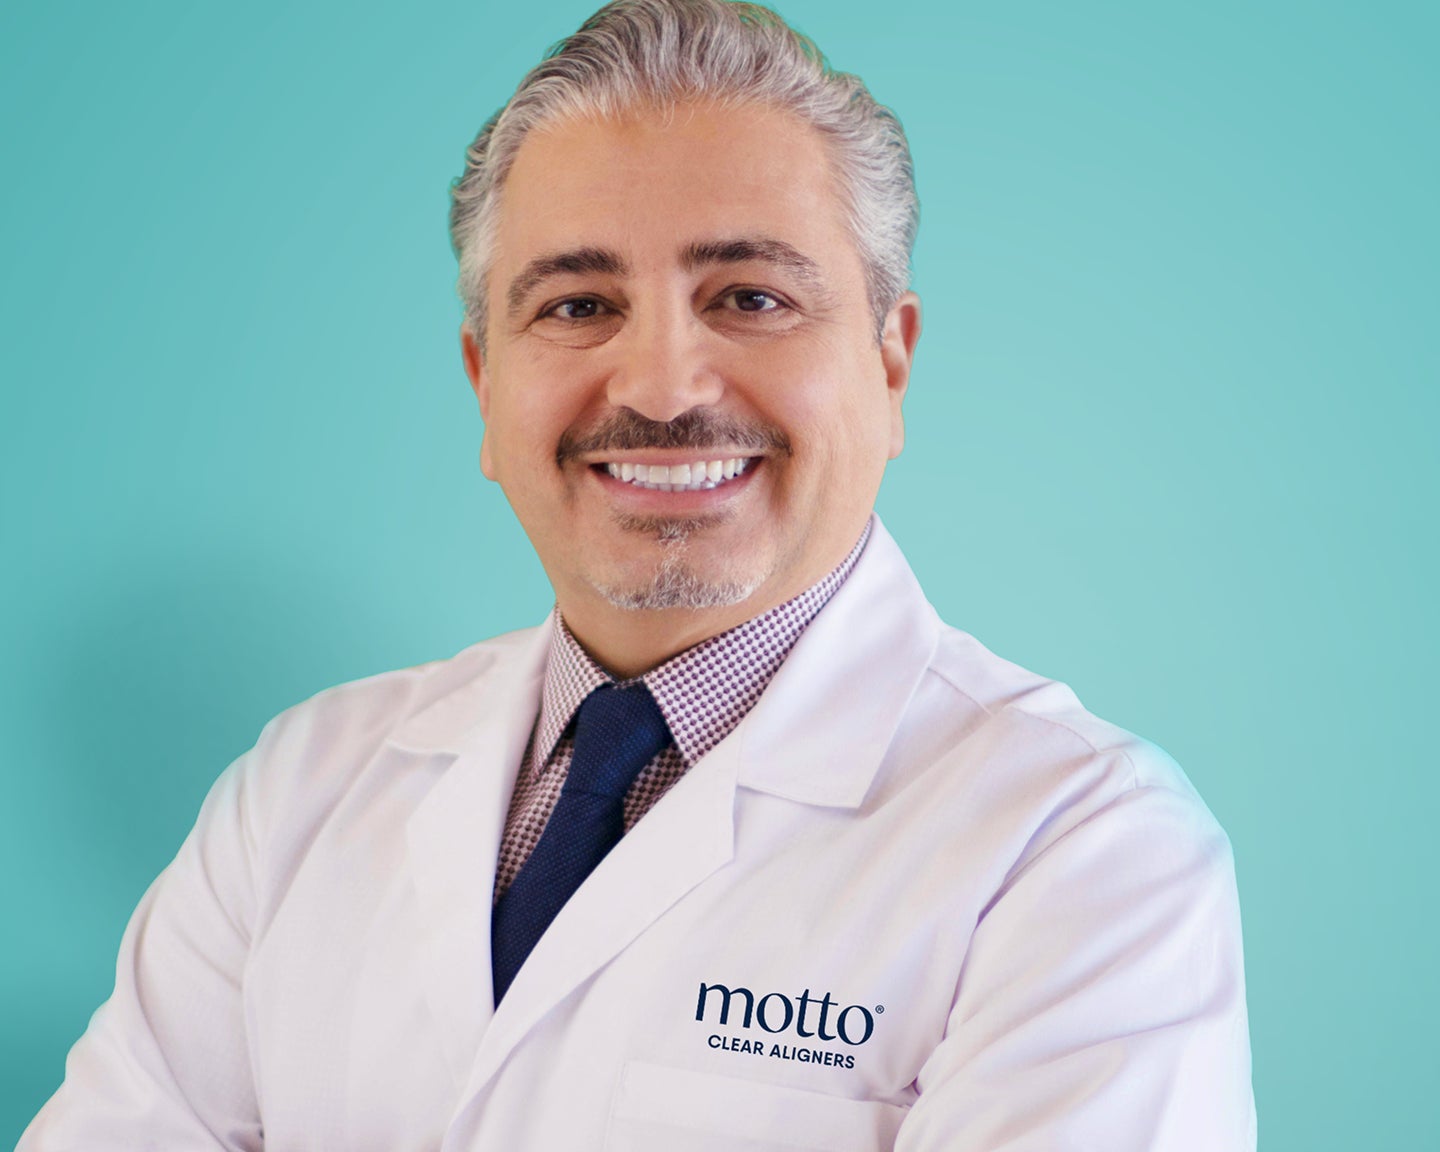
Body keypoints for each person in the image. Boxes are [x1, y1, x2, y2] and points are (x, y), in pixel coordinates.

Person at [20, 0, 1256, 1148]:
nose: (663, 387)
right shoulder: (296, 794)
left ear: (891, 365)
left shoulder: (1080, 854)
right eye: (574, 306)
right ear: (484, 384)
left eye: (752, 295)